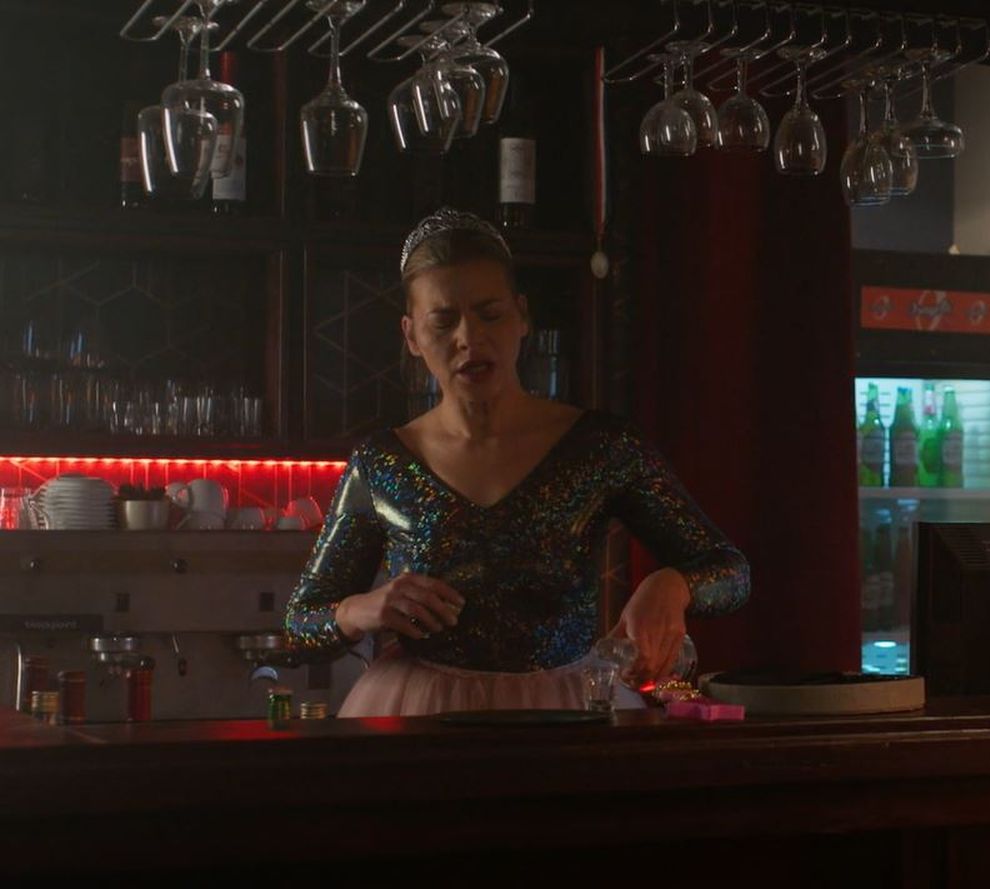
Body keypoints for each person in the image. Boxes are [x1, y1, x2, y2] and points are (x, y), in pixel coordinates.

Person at [284, 207, 750, 717]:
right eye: (444, 320)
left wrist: (673, 585)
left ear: (522, 316)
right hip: (418, 712)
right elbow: (300, 624)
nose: (469, 337)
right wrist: (362, 609)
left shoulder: (601, 447)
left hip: (567, 711)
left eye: (490, 314)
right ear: (412, 335)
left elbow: (730, 572)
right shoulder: (382, 462)